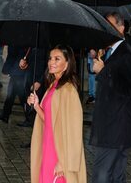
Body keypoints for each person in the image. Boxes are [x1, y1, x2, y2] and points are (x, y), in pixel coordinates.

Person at [28, 45, 87, 183]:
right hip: (47, 147)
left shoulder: (69, 90)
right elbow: (49, 120)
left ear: (67, 64)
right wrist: (36, 105)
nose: (51, 62)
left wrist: (63, 161)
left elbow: (74, 131)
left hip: (60, 151)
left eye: (57, 59)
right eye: (50, 58)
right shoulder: (53, 85)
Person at [90, 12, 131, 183]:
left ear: (121, 28)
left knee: (101, 174)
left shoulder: (127, 53)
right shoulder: (116, 49)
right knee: (117, 175)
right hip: (117, 127)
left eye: (109, 26)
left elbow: (126, 88)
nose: (105, 30)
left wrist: (103, 71)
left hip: (115, 126)